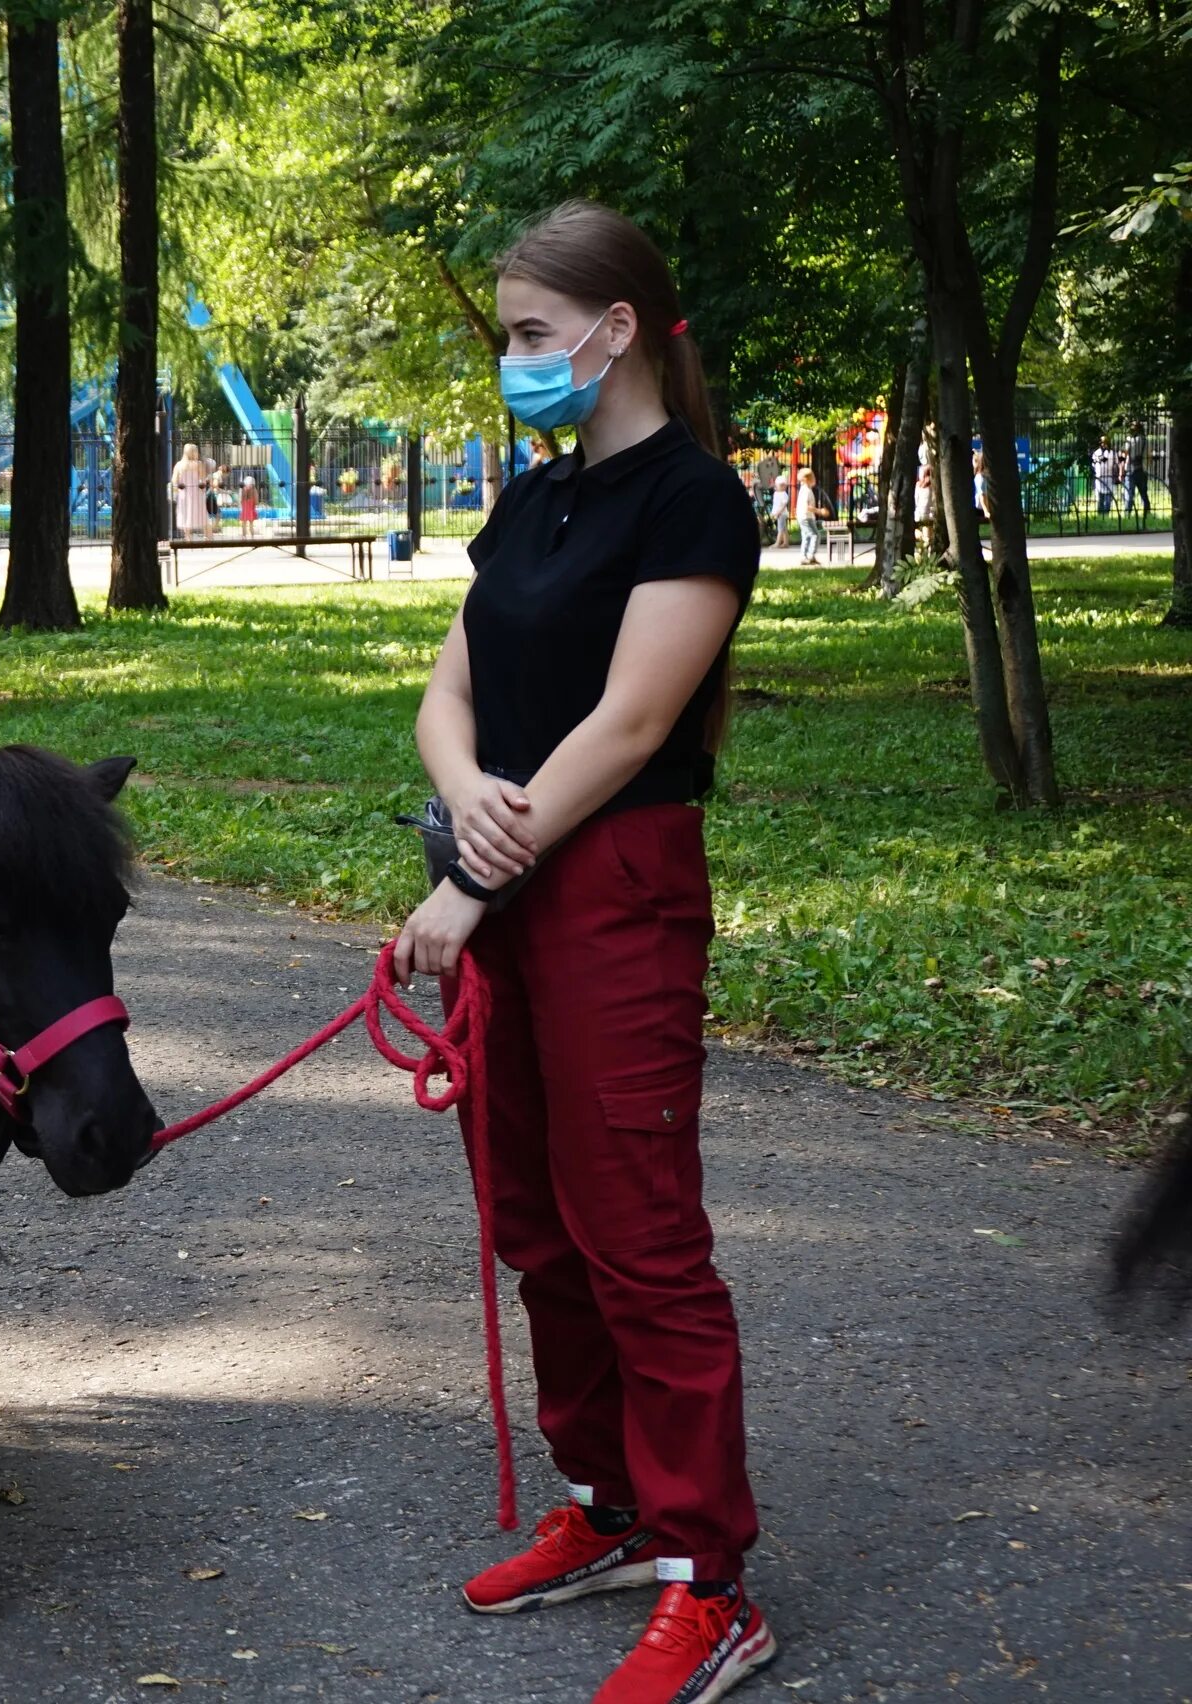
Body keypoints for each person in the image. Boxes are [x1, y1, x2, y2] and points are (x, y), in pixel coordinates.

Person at [392, 199, 775, 1704]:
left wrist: (475, 875)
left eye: (535, 337)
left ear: (616, 333)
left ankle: (712, 1576)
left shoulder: (692, 504)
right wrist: (464, 784)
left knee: (641, 1236)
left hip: (612, 877)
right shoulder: (535, 500)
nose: (517, 363)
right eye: (511, 340)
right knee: (535, 1215)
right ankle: (611, 1506)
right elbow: (448, 693)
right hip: (515, 860)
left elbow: (628, 725)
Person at [172, 444, 209, 540]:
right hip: (196, 492)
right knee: (202, 513)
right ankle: (207, 536)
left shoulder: (179, 465)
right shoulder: (198, 464)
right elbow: (203, 479)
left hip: (184, 492)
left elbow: (174, 481)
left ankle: (188, 537)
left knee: (185, 514)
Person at [793, 466, 824, 564]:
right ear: (807, 479)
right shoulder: (806, 490)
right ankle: (810, 555)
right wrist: (819, 511)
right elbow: (806, 506)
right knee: (815, 535)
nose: (815, 480)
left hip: (805, 517)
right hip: (806, 517)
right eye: (813, 478)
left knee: (806, 537)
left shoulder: (805, 489)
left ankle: (804, 557)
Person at [1124, 424, 1152, 520]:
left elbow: (1125, 452)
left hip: (1131, 469)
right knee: (1143, 492)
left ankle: (1128, 514)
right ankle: (1147, 513)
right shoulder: (1145, 440)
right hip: (1142, 470)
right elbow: (1149, 456)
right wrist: (1146, 467)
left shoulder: (1129, 440)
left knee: (1129, 492)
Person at [1091, 437, 1117, 517]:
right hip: (1099, 478)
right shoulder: (1096, 452)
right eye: (1102, 443)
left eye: (1105, 443)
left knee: (1108, 498)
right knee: (1100, 498)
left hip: (1109, 478)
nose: (1103, 444)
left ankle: (1106, 514)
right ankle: (1100, 514)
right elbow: (1093, 464)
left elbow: (1116, 464)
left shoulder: (1112, 453)